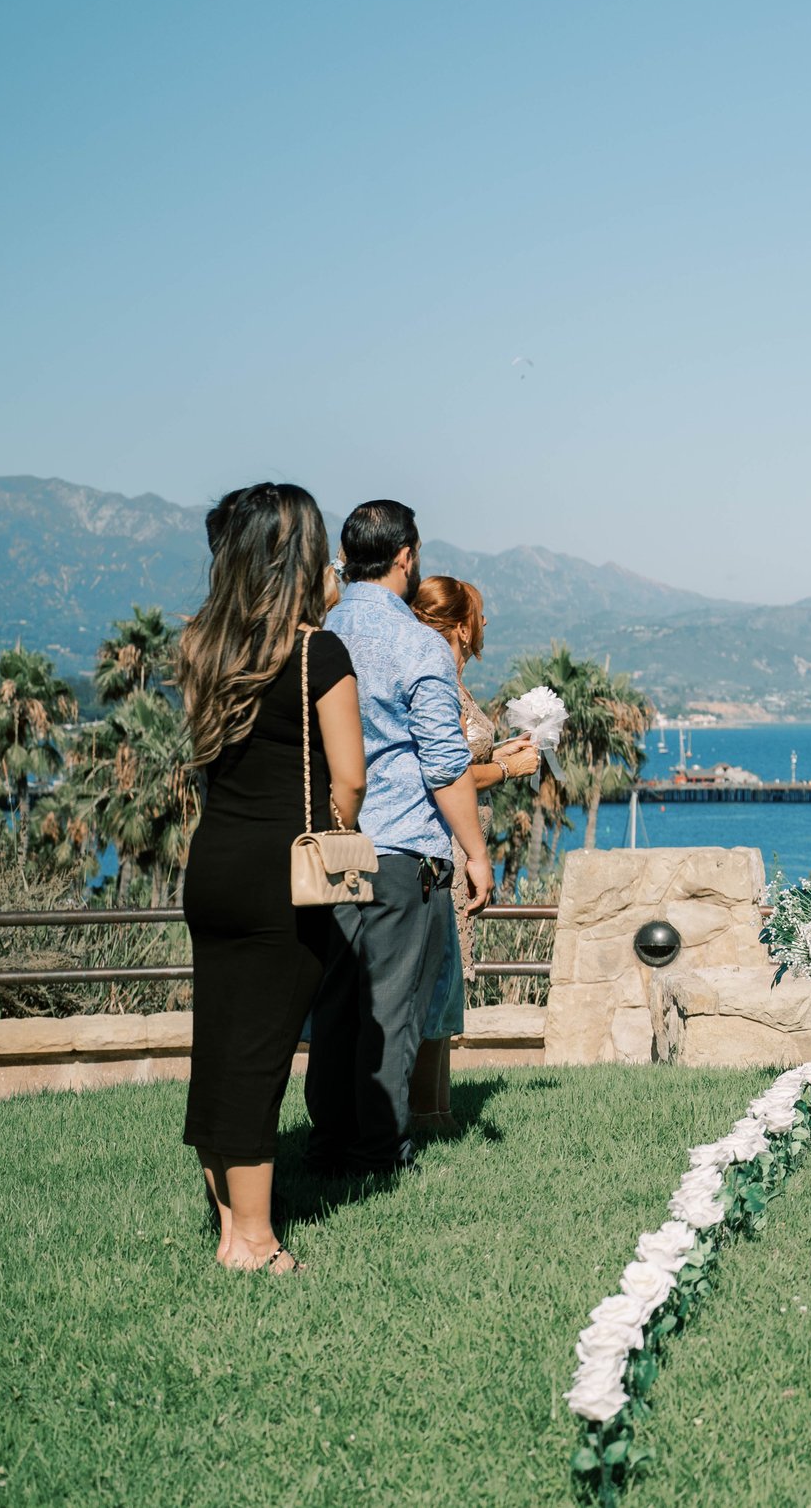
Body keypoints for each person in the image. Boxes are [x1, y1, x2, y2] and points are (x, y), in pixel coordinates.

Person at [178, 483, 366, 1273]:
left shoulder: (201, 646)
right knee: (260, 1057)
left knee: (220, 1047)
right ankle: (253, 1242)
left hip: (213, 865)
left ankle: (228, 1225)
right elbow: (349, 777)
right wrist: (340, 827)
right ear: (302, 556)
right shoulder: (319, 651)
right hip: (279, 876)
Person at [311, 501, 492, 1173]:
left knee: (336, 1005)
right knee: (391, 1007)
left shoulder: (320, 630)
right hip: (399, 851)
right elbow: (445, 764)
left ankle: (327, 1141)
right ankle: (380, 1150)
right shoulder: (417, 644)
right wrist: (475, 852)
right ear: (407, 556)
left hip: (330, 849)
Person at [405, 576, 540, 1131]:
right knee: (435, 975)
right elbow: (444, 771)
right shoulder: (436, 676)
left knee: (445, 977)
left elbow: (459, 756)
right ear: (461, 624)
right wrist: (508, 768)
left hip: (457, 840)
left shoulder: (451, 679)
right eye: (480, 616)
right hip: (444, 839)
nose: (485, 625)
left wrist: (499, 750)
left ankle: (438, 1112)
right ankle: (422, 1114)